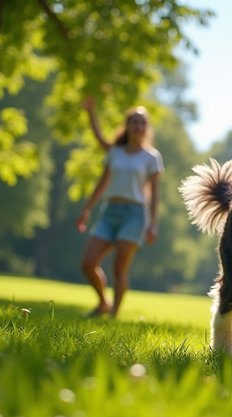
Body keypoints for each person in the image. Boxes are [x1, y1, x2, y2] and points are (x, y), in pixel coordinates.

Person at [75, 96, 164, 318]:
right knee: (88, 263)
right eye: (134, 121)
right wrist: (86, 209)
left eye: (142, 122)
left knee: (118, 268)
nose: (138, 126)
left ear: (146, 128)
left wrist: (153, 224)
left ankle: (114, 314)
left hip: (134, 215)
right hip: (109, 211)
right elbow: (101, 182)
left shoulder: (151, 157)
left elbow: (154, 194)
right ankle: (103, 302)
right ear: (128, 126)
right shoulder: (115, 152)